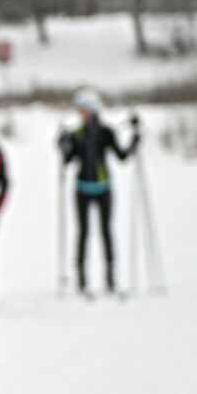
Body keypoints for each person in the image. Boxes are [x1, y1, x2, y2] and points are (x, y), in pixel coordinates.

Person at [58, 88, 137, 295]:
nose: (81, 115)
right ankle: (82, 279)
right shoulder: (77, 135)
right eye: (79, 111)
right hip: (82, 189)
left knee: (106, 231)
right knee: (83, 232)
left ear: (92, 111)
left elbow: (122, 156)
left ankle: (110, 277)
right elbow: (67, 159)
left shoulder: (106, 132)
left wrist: (135, 140)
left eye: (83, 110)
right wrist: (62, 143)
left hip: (104, 190)